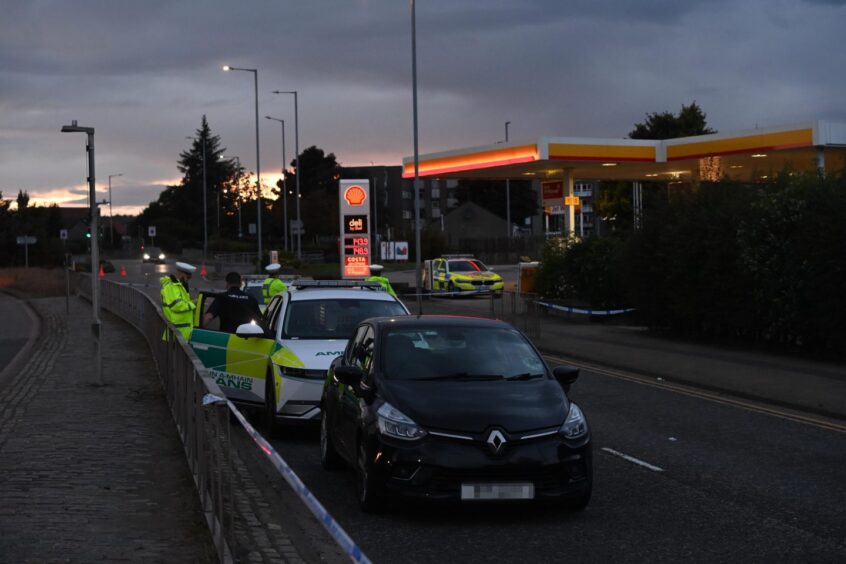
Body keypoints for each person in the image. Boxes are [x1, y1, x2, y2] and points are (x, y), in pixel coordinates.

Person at [160, 261, 197, 341]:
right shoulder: (172, 287)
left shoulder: (179, 286)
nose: (188, 280)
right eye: (188, 277)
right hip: (176, 332)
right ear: (182, 274)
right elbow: (177, 306)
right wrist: (193, 303)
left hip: (180, 330)